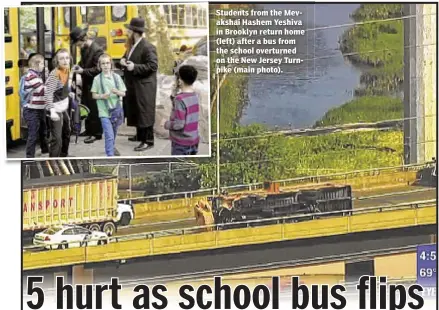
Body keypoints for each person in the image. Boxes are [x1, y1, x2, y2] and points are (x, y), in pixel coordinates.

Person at [120, 17, 158, 152]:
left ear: (134, 31)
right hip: (134, 85)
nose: (126, 31)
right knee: (136, 111)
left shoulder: (148, 47)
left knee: (144, 113)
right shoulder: (132, 45)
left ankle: (148, 141)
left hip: (144, 87)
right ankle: (139, 135)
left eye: (128, 29)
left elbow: (152, 66)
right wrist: (123, 61)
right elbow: (126, 57)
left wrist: (134, 67)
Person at [70, 26, 104, 144]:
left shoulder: (97, 50)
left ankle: (97, 133)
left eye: (78, 43)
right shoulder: (84, 48)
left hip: (95, 83)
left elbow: (98, 69)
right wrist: (78, 66)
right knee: (87, 106)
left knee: (94, 108)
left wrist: (82, 71)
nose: (78, 46)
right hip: (87, 82)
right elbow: (83, 62)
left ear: (83, 39)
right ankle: (89, 130)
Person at [91, 54, 127, 156]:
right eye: (103, 63)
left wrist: (117, 92)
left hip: (115, 110)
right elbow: (94, 95)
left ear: (111, 64)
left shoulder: (116, 77)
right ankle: (110, 156)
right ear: (100, 65)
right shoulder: (97, 79)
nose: (106, 65)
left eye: (107, 63)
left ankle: (111, 147)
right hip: (104, 111)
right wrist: (102, 96)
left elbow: (124, 93)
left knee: (113, 133)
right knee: (109, 135)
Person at [164, 65, 200, 156]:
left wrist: (165, 123)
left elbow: (179, 124)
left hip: (181, 143)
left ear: (179, 81)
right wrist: (174, 94)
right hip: (194, 140)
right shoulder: (195, 95)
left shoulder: (179, 99)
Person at [45, 48, 74, 157]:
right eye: (61, 59)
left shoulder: (67, 70)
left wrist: (68, 93)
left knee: (67, 131)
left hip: (63, 106)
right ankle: (53, 162)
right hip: (55, 108)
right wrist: (52, 111)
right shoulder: (55, 74)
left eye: (67, 58)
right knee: (57, 139)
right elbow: (48, 93)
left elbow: (63, 87)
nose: (65, 61)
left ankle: (63, 156)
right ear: (57, 61)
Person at [20, 53, 48, 158]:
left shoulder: (37, 76)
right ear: (36, 64)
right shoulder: (31, 76)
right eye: (42, 64)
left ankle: (45, 151)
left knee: (43, 131)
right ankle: (29, 157)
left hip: (39, 109)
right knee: (33, 134)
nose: (44, 66)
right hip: (31, 110)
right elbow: (42, 90)